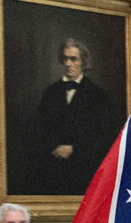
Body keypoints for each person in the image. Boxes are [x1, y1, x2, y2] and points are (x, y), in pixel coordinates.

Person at [33, 38, 116, 195]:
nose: (69, 64)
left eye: (74, 59)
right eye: (65, 59)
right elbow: (39, 129)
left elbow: (105, 134)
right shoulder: (50, 92)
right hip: (52, 170)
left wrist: (75, 150)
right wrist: (54, 149)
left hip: (84, 171)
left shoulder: (98, 95)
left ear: (83, 61)